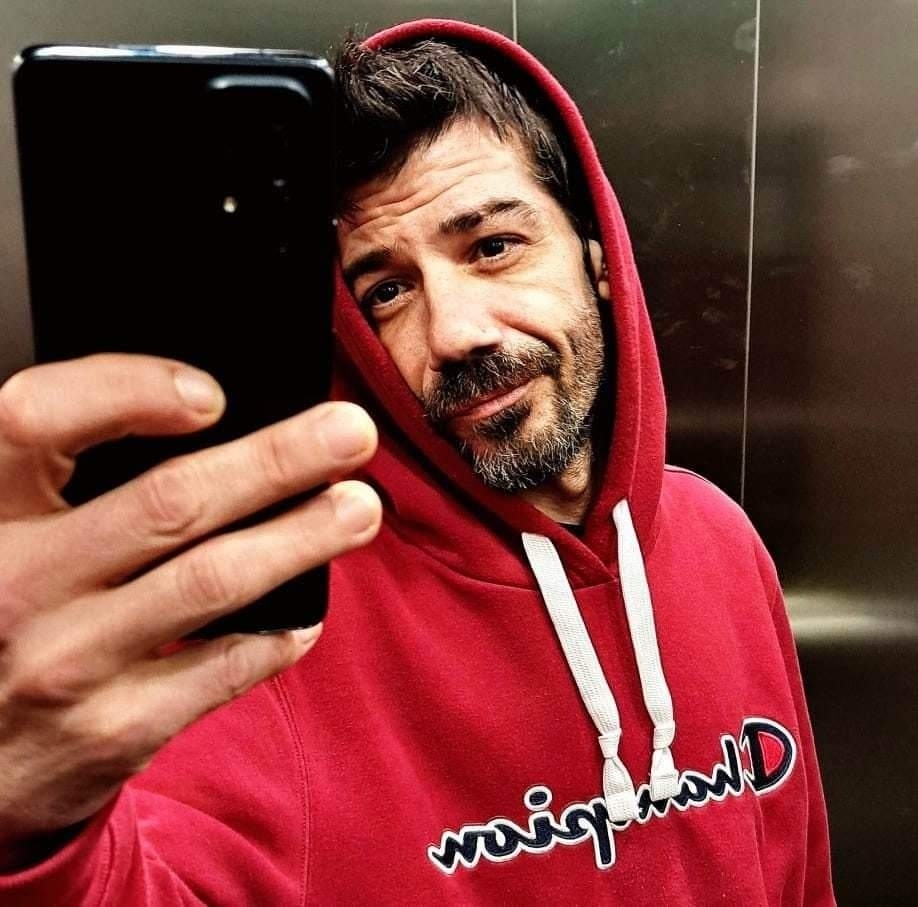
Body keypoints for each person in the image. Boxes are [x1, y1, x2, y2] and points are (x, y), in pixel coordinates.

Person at [0, 18, 834, 905]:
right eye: (388, 290)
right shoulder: (282, 631)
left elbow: (801, 874)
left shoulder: (722, 539)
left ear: (598, 260)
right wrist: (30, 830)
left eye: (493, 246)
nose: (455, 333)